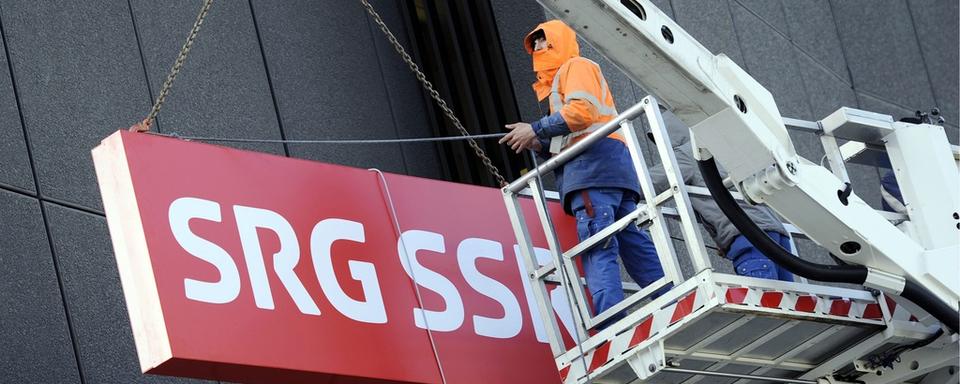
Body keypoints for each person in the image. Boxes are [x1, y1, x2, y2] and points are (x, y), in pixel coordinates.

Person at [499, 20, 665, 326]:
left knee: (597, 247)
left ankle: (611, 325)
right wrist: (538, 141)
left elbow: (581, 112)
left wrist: (535, 129)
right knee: (630, 241)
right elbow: (570, 131)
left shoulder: (575, 67)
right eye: (534, 43)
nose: (536, 48)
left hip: (592, 170)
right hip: (610, 168)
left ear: (556, 43)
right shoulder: (560, 84)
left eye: (541, 42)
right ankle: (670, 298)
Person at [643, 109, 795, 281]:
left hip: (748, 236)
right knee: (787, 301)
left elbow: (649, 183)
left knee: (765, 300)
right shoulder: (721, 148)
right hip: (775, 233)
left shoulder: (687, 154)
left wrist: (614, 181)